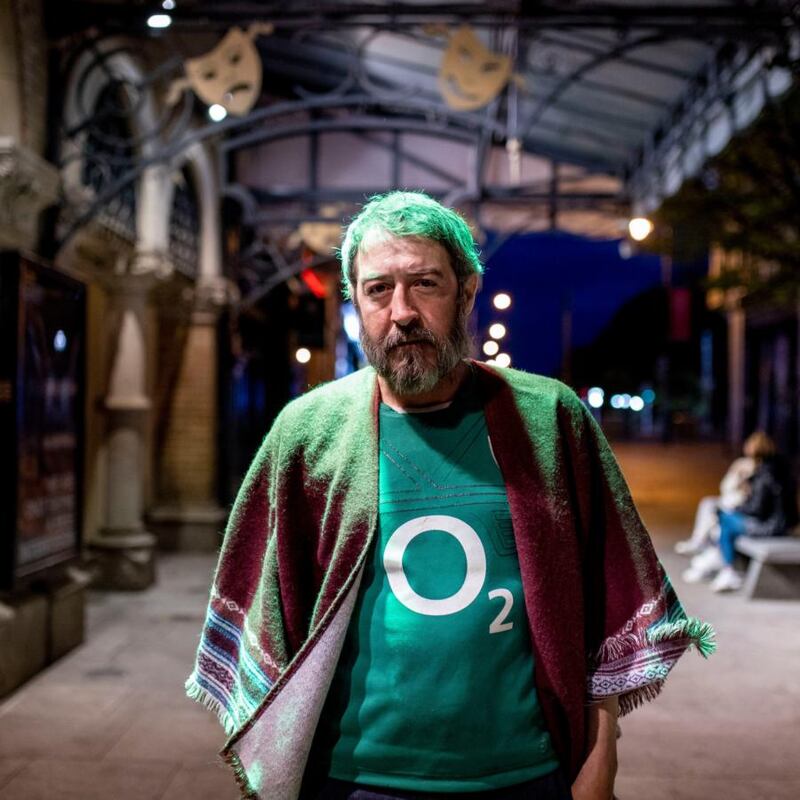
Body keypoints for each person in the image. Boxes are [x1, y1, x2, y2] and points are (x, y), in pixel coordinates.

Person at [187, 191, 715, 800]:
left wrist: (602, 754)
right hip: (353, 780)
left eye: (425, 284)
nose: (402, 311)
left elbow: (604, 602)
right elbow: (268, 604)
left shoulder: (549, 420)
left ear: (466, 292)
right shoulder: (307, 431)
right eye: (378, 289)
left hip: (524, 775)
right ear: (355, 303)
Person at [709, 432, 797, 593]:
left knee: (724, 517)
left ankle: (727, 566)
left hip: (771, 527)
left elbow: (757, 509)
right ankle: (723, 561)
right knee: (726, 520)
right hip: (783, 523)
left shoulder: (764, 474)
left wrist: (738, 508)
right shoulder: (780, 468)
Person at [674, 448, 755, 556]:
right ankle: (698, 542)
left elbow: (753, 502)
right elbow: (725, 487)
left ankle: (711, 552)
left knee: (717, 518)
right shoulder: (741, 464)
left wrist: (747, 484)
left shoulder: (760, 471)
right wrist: (737, 475)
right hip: (730, 501)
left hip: (741, 508)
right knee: (708, 504)